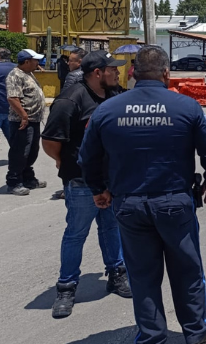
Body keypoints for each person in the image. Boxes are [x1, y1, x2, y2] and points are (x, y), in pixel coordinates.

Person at [78, 45, 206, 344]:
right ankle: (196, 332)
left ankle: (152, 335)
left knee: (142, 276)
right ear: (167, 73)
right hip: (174, 203)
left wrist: (98, 189)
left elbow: (87, 157)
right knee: (188, 271)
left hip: (128, 204)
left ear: (132, 73)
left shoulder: (107, 110)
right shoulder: (186, 107)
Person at [40, 51, 131, 318]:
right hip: (81, 183)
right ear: (97, 73)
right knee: (76, 234)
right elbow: (50, 142)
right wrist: (66, 164)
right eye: (112, 69)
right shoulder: (69, 101)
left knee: (111, 228)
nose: (117, 73)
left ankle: (116, 274)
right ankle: (66, 288)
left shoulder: (115, 96)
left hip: (112, 180)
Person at [5, 49, 47, 196]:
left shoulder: (28, 73)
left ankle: (28, 177)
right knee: (20, 152)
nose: (38, 63)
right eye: (36, 60)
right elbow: (12, 98)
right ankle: (14, 182)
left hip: (33, 120)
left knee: (31, 152)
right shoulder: (15, 75)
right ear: (27, 61)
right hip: (22, 121)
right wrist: (23, 116)